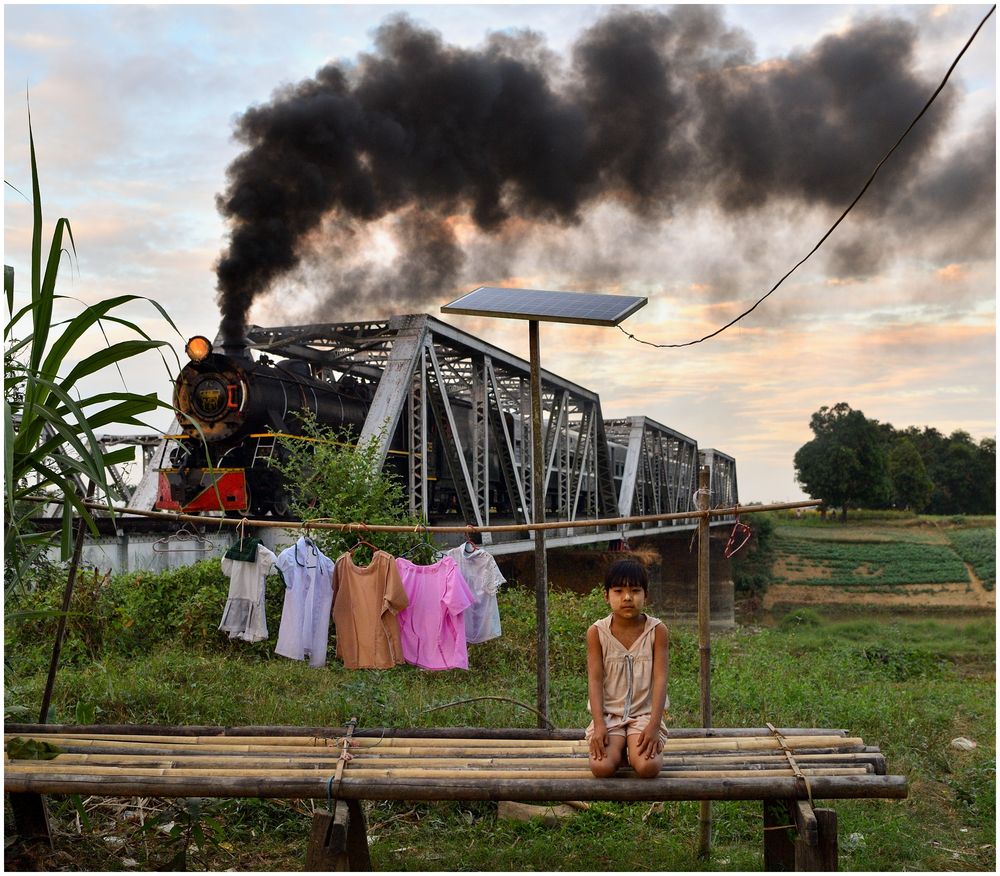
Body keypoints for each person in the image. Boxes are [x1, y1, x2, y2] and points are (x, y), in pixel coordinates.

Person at [586, 558, 669, 778]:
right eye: (618, 590)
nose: (627, 597)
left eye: (635, 590)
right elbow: (594, 680)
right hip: (609, 715)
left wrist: (653, 724)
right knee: (601, 768)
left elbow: (660, 678)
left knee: (647, 768)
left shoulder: (657, 631)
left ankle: (631, 746)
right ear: (606, 596)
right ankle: (620, 746)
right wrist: (598, 724)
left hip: (645, 714)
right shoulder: (597, 632)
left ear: (646, 595)